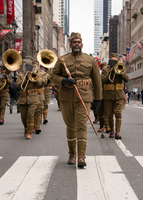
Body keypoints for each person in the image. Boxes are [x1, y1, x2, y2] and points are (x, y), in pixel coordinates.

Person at [50, 32, 102, 168]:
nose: (76, 44)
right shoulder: (62, 59)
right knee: (70, 125)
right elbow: (53, 76)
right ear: (70, 44)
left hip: (84, 97)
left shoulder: (90, 61)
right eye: (74, 42)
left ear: (82, 44)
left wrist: (98, 99)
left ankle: (81, 156)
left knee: (81, 125)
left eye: (78, 42)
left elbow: (97, 81)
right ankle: (72, 154)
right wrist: (64, 80)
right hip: (66, 97)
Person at [101, 53, 129, 139]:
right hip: (108, 95)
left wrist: (119, 72)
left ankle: (117, 132)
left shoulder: (121, 68)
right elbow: (102, 80)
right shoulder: (106, 70)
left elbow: (126, 79)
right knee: (109, 114)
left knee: (118, 113)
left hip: (119, 95)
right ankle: (112, 130)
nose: (113, 62)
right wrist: (111, 72)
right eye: (112, 60)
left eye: (115, 61)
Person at [16, 62, 40, 139]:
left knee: (30, 115)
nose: (28, 70)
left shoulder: (35, 74)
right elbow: (17, 85)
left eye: (30, 68)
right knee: (23, 117)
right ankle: (26, 128)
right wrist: (26, 78)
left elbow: (41, 84)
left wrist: (35, 77)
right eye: (27, 68)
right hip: (23, 98)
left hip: (33, 98)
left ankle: (29, 132)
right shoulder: (21, 75)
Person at [33, 62, 48, 134]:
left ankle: (37, 126)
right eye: (33, 65)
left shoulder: (43, 74)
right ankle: (32, 126)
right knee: (31, 111)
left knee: (39, 109)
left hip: (40, 94)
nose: (35, 66)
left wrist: (37, 76)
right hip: (31, 94)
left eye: (36, 65)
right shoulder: (27, 73)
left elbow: (44, 82)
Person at [97, 62, 110, 133]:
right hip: (100, 94)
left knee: (107, 111)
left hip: (108, 94)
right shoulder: (99, 73)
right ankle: (102, 126)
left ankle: (108, 126)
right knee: (100, 111)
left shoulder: (110, 72)